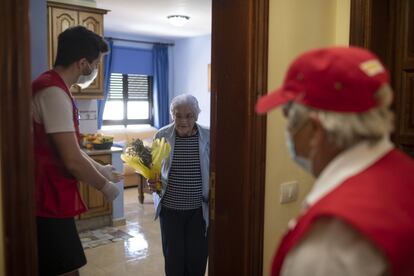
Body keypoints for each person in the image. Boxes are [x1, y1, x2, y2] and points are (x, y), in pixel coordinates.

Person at [255, 46, 414, 276]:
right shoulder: (405, 172)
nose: (288, 133)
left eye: (289, 121)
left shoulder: (331, 238)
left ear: (315, 130)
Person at [32, 26, 122, 276]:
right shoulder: (53, 93)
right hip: (46, 200)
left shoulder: (53, 87)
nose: (95, 71)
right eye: (95, 64)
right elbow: (72, 160)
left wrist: (101, 170)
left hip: (49, 198)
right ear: (83, 63)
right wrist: (106, 188)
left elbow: (72, 149)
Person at [148, 94, 210, 276]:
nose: (183, 120)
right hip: (170, 209)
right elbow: (154, 168)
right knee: (174, 259)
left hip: (199, 210)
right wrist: (152, 180)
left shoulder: (208, 135)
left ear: (197, 116)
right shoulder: (162, 135)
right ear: (171, 115)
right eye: (178, 115)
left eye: (189, 115)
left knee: (197, 259)